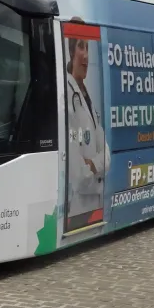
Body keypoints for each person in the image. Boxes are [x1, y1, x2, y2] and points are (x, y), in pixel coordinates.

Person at [65, 26, 110, 224]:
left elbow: (107, 154)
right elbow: (78, 176)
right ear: (71, 52)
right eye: (81, 47)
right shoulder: (66, 95)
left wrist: (93, 164)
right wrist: (97, 169)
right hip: (79, 211)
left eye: (88, 47)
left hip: (96, 204)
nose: (86, 55)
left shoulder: (87, 97)